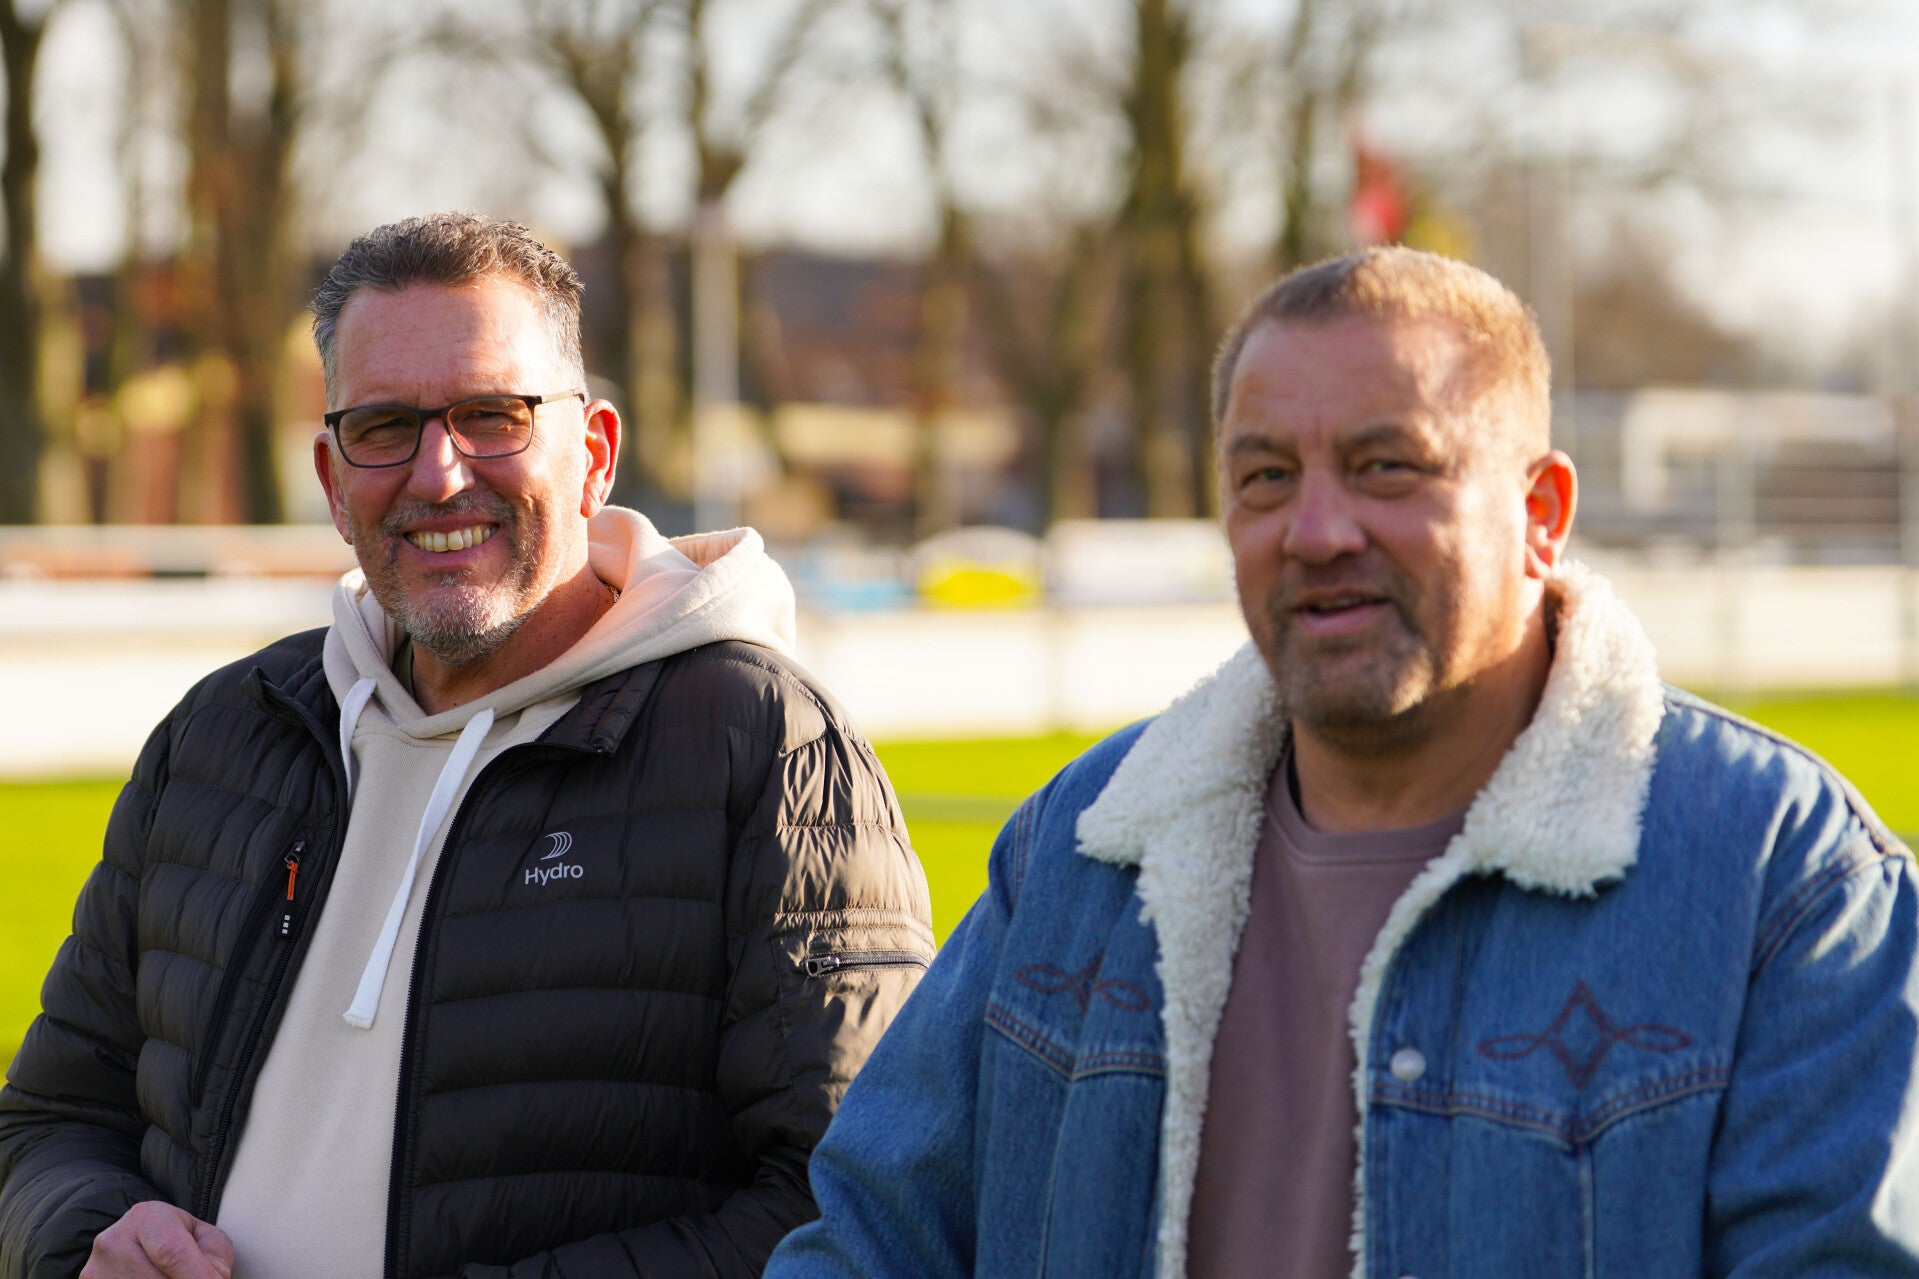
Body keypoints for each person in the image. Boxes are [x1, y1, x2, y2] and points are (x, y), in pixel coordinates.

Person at [766, 246, 1919, 1278]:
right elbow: (868, 1240)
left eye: (1384, 466)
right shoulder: (1077, 849)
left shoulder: (1780, 878)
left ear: (1540, 513)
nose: (1315, 532)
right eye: (1265, 476)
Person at [0, 213, 934, 1279]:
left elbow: (857, 1201)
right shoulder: (224, 733)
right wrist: (88, 1240)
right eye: (385, 425)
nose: (439, 474)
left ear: (593, 456)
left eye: (492, 416)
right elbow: (50, 1120)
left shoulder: (766, 746)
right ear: (332, 478)